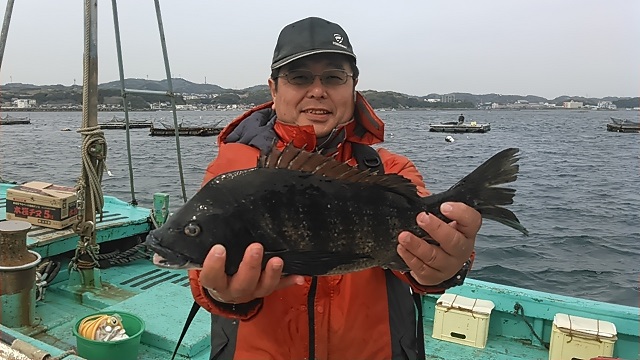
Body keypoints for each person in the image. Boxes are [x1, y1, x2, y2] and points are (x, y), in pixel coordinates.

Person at [188, 17, 481, 359]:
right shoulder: (232, 171)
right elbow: (202, 269)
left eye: (333, 77)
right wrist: (221, 293)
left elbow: (421, 265)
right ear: (273, 89)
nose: (317, 90)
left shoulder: (391, 170)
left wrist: (447, 267)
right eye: (299, 78)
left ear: (353, 86)